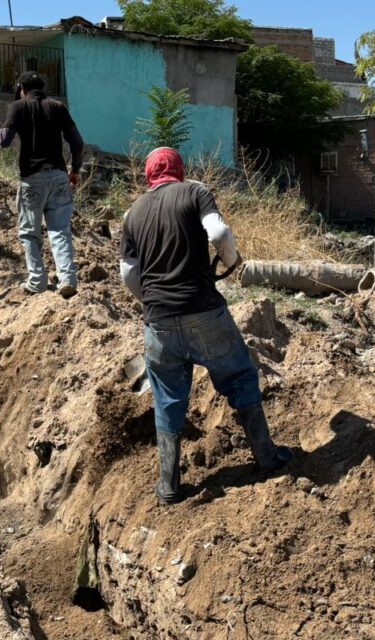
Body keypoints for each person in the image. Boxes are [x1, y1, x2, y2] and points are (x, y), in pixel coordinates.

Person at [120, 147, 293, 505]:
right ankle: (266, 457)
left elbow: (128, 274)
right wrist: (232, 260)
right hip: (203, 312)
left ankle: (169, 486)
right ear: (179, 171)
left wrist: (151, 302)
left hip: (158, 324)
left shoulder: (132, 213)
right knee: (240, 375)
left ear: (149, 176)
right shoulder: (195, 191)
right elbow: (218, 234)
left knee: (167, 400)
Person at [0, 71, 84, 299]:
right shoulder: (58, 107)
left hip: (32, 179)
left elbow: (4, 140)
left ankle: (37, 280)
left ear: (22, 88)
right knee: (60, 230)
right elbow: (77, 144)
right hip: (59, 176)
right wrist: (75, 171)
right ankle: (67, 279)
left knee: (30, 233)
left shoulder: (18, 107)